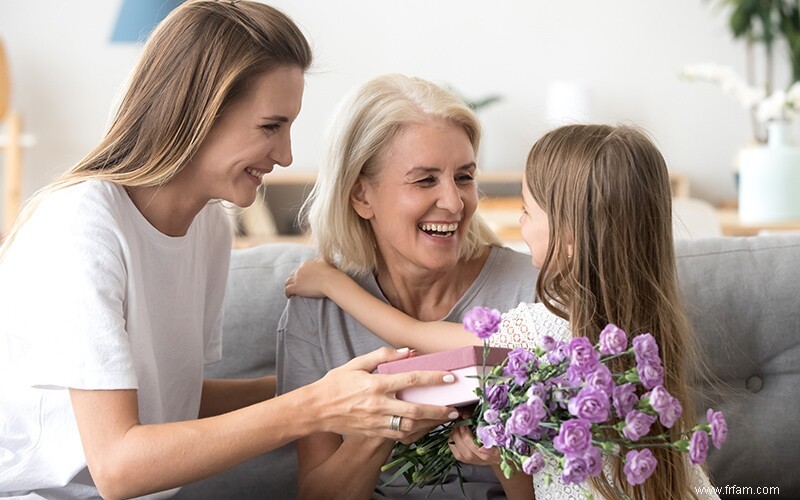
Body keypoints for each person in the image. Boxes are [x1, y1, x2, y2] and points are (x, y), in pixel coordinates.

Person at [0, 3, 466, 499]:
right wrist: (313, 406)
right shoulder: (82, 224)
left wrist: (342, 384)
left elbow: (172, 401)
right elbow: (117, 467)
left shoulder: (208, 226)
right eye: (270, 127)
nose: (286, 154)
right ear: (196, 112)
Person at [286, 124, 721, 500]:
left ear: (568, 237)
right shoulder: (646, 331)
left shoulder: (540, 328)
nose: (519, 225)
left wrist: (331, 283)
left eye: (527, 212)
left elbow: (414, 332)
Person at [275, 73, 539, 499]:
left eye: (465, 177)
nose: (454, 203)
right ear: (361, 196)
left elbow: (572, 484)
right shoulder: (317, 310)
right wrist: (382, 425)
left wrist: (505, 450)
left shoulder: (531, 296)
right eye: (424, 180)